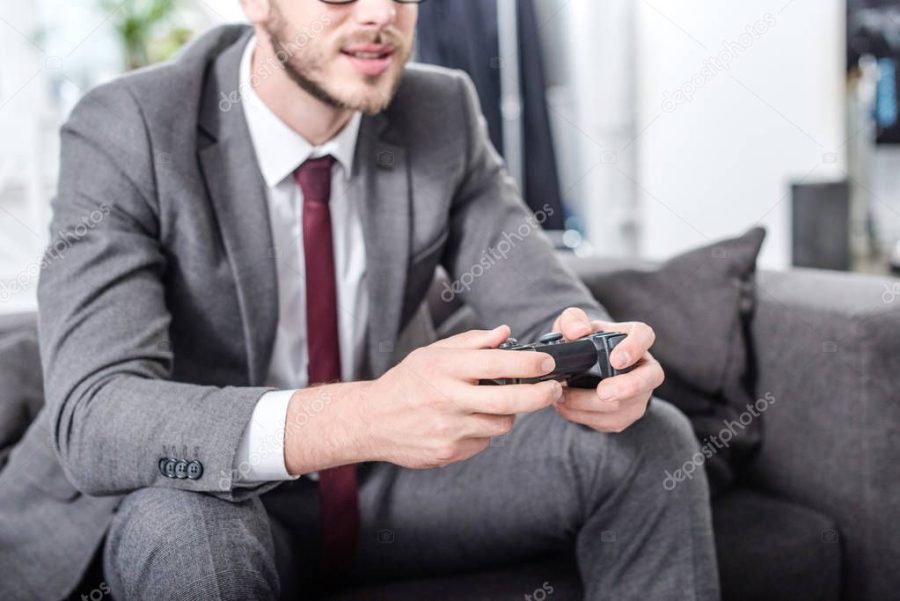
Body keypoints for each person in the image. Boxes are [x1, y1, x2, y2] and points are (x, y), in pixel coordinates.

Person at [0, 1, 719, 599]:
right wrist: (367, 416)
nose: (381, 14)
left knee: (651, 438)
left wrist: (601, 363)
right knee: (185, 533)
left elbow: (545, 306)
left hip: (385, 489)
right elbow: (94, 413)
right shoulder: (130, 126)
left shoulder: (440, 110)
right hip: (209, 495)